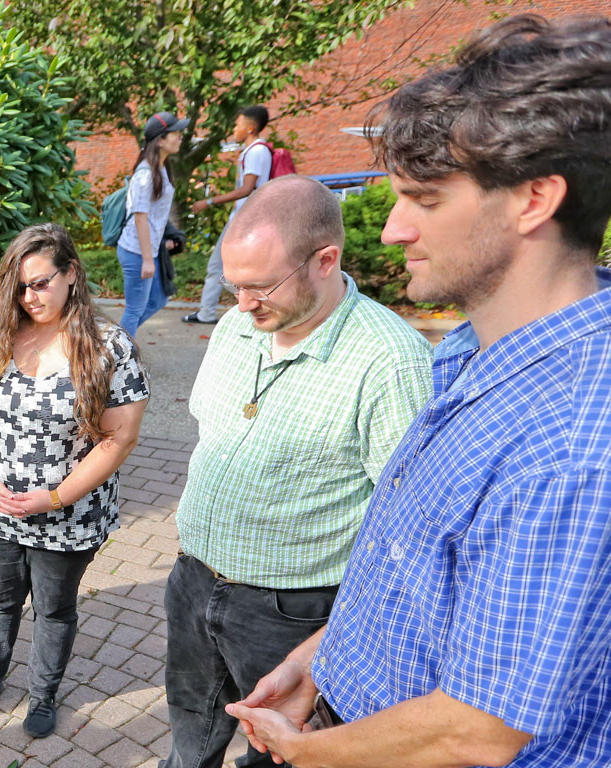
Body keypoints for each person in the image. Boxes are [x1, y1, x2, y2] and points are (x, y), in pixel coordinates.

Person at [227, 16, 611, 768]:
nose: (392, 230)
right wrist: (322, 660)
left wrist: (308, 752)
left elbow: (478, 730)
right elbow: (423, 575)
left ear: (533, 200)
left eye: (423, 200)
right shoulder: (480, 354)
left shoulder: (582, 448)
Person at [162, 175, 432, 768]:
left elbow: (408, 529)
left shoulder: (390, 361)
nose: (241, 305)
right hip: (194, 580)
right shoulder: (239, 324)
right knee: (189, 725)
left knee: (280, 749)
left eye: (259, 287)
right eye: (234, 286)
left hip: (293, 614)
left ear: (325, 260)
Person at [0, 223, 151, 738]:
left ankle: (43, 693)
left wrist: (55, 497)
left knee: (54, 608)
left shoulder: (107, 348)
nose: (28, 296)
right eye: (18, 286)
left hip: (69, 514)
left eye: (40, 282)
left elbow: (119, 438)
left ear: (72, 275)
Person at [183, 105, 276, 324]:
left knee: (218, 265)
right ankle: (244, 309)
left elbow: (247, 189)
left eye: (238, 124)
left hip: (245, 220)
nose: (234, 129)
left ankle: (211, 312)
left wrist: (209, 201)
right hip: (247, 218)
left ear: (251, 128)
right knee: (233, 267)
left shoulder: (256, 151)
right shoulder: (255, 151)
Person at [117, 112, 188, 339]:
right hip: (136, 252)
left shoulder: (161, 169)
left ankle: (117, 342)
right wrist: (147, 259)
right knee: (135, 308)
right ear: (160, 140)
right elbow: (140, 218)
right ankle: (115, 356)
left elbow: (155, 216)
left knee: (158, 298)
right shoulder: (146, 174)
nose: (180, 138)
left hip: (148, 250)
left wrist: (162, 242)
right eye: (175, 134)